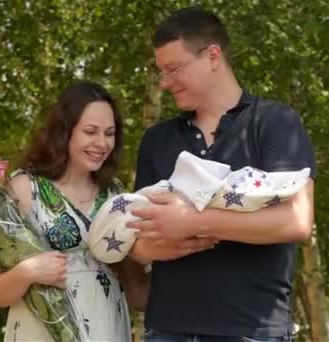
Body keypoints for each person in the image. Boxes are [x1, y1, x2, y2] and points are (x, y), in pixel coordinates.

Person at [123, 6, 316, 341]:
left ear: (212, 56)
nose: (166, 83)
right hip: (167, 329)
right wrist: (151, 246)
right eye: (161, 73)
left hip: (253, 330)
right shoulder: (157, 140)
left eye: (173, 69)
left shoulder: (275, 123)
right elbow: (137, 242)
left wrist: (194, 222)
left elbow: (296, 221)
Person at [0, 81, 132, 341]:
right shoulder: (24, 188)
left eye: (109, 133)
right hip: (42, 331)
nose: (102, 143)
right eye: (90, 131)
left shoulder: (116, 194)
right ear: (65, 132)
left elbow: (134, 282)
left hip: (107, 327)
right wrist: (28, 271)